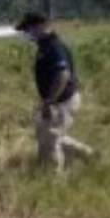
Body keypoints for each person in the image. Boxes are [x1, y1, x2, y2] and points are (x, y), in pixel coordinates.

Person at [16, 11, 94, 171]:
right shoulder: (44, 46)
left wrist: (49, 102)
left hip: (61, 101)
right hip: (58, 100)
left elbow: (62, 75)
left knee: (49, 140)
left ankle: (50, 178)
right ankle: (89, 155)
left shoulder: (53, 47)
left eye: (28, 29)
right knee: (48, 135)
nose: (27, 34)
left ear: (40, 26)